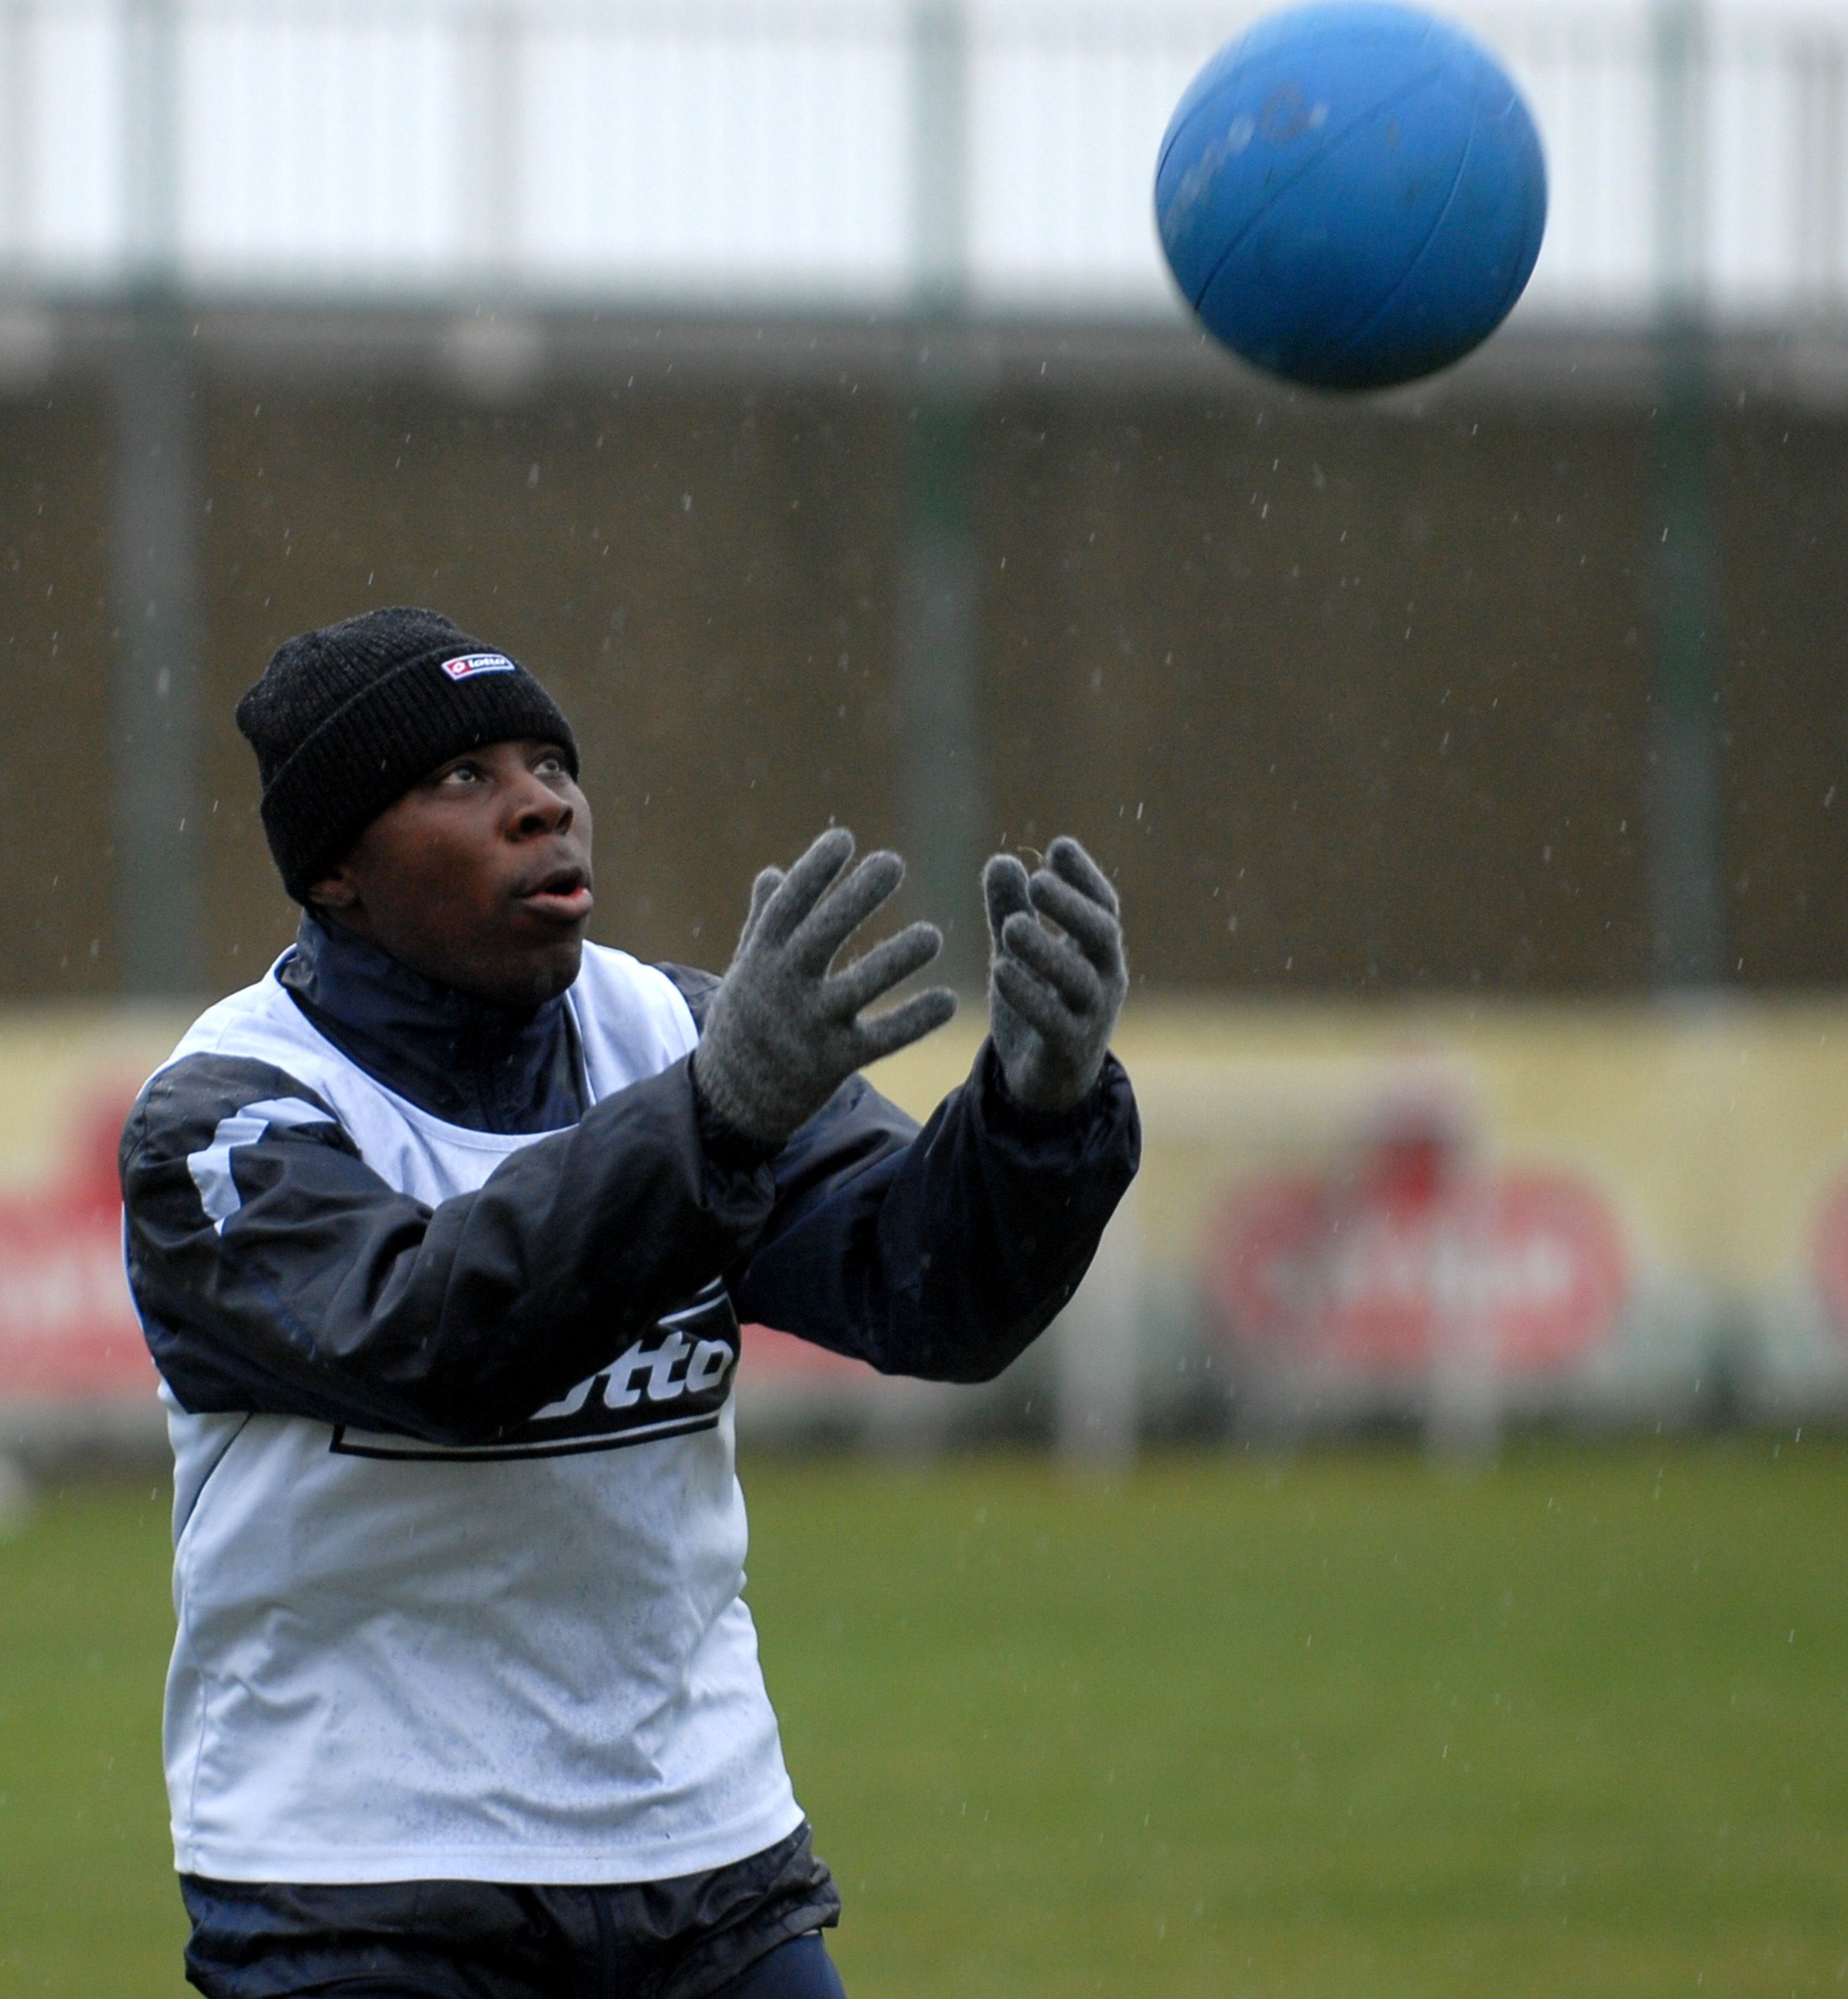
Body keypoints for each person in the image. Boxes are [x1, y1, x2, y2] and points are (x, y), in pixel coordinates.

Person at [119, 606, 1140, 1999]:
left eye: (550, 760)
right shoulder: (226, 1116)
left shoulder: (676, 1038)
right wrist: (712, 1125)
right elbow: (432, 1341)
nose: (542, 801)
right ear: (337, 870)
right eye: (465, 777)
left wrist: (1037, 1114)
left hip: (704, 1850)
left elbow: (927, 1293)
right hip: (357, 1878)